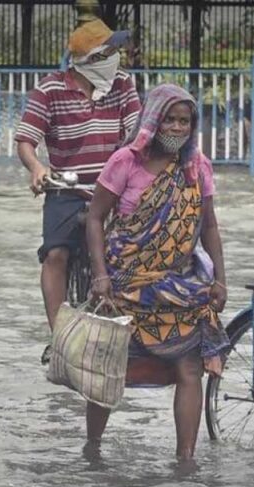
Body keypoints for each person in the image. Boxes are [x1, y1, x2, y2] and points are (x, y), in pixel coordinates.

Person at [86, 84, 229, 462]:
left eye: (185, 121)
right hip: (126, 288)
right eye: (171, 119)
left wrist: (219, 278)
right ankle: (93, 449)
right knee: (108, 368)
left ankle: (186, 460)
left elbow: (209, 225)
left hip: (180, 289)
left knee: (189, 368)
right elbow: (95, 217)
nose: (178, 128)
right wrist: (100, 276)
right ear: (153, 119)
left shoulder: (197, 168)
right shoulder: (125, 162)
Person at [14, 18, 142, 361]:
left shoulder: (123, 85)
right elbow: (26, 140)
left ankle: (132, 329)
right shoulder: (49, 89)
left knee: (130, 255)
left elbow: (137, 132)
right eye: (108, 52)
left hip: (112, 189)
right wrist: (38, 167)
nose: (116, 57)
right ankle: (59, 337)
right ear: (85, 60)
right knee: (56, 254)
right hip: (67, 190)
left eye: (116, 50)